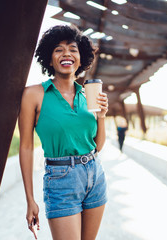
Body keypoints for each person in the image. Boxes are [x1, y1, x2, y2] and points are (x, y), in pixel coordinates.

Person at [18, 25, 109, 240]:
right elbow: (26, 147)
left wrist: (103, 116)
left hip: (95, 176)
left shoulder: (88, 95)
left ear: (80, 59)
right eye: (58, 49)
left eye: (73, 49)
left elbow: (97, 146)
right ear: (49, 60)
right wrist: (30, 199)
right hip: (60, 180)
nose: (66, 53)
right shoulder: (34, 94)